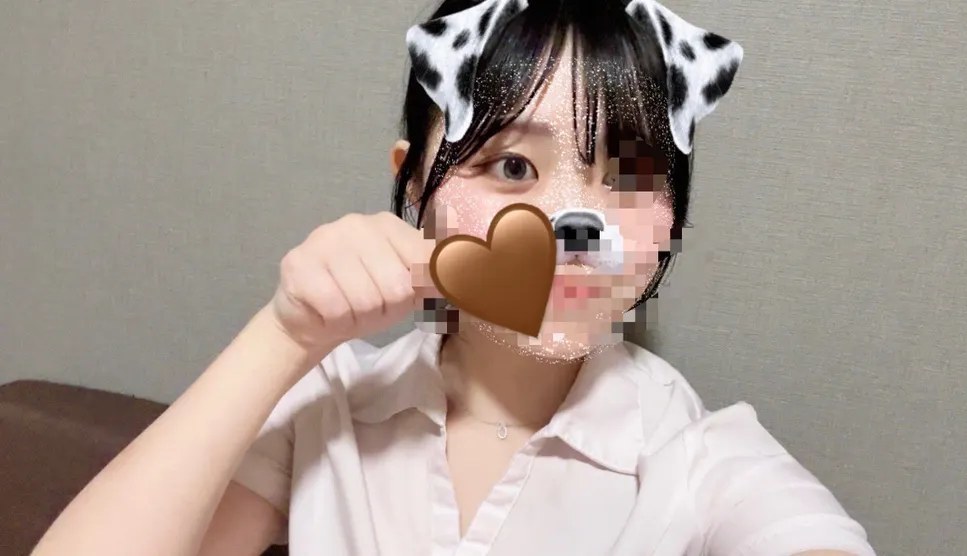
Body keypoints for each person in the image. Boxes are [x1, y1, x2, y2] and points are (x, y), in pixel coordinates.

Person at [32, 0, 876, 555]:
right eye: (512, 167)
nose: (569, 223)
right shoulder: (329, 409)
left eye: (627, 176)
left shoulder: (699, 461)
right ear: (413, 185)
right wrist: (284, 334)